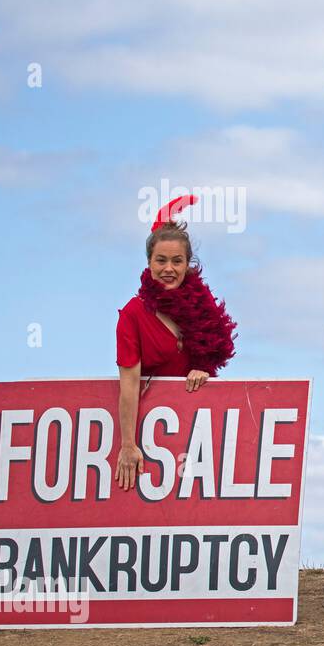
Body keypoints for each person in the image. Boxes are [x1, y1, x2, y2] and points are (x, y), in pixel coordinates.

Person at [115, 195, 238, 491]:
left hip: (196, 432)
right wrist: (128, 445)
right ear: (148, 263)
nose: (168, 268)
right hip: (153, 434)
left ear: (188, 264)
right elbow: (129, 384)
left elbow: (212, 352)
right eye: (161, 260)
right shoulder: (133, 314)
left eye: (177, 261)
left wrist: (202, 369)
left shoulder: (202, 309)